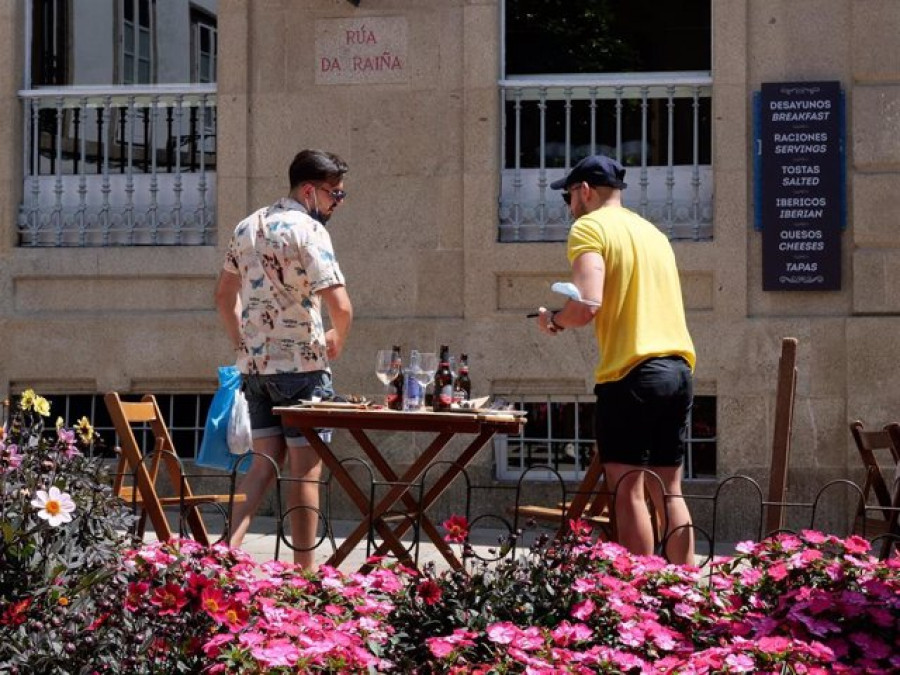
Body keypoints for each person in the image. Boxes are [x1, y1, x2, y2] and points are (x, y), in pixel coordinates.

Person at [534, 154, 696, 565]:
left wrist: (554, 319)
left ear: (584, 190)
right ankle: (687, 588)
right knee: (670, 490)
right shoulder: (654, 233)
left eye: (568, 197)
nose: (569, 208)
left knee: (628, 488)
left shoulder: (589, 228)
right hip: (677, 367)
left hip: (631, 373)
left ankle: (638, 595)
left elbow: (588, 303)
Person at [215, 149, 353, 570]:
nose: (336, 204)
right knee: (304, 474)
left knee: (262, 467)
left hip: (256, 369)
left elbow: (223, 297)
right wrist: (337, 337)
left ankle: (222, 556)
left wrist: (244, 344)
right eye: (334, 195)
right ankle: (305, 573)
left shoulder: (247, 226)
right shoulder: (307, 230)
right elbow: (341, 305)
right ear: (309, 190)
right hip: (301, 369)